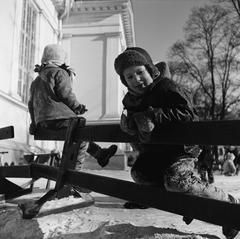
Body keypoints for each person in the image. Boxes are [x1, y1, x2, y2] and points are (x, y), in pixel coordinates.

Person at [114, 47, 239, 239]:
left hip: (181, 149)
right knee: (139, 173)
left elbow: (188, 113)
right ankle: (186, 201)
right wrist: (129, 124)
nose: (136, 79)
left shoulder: (165, 87)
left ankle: (229, 205)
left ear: (150, 70)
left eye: (140, 72)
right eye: (130, 77)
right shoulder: (130, 101)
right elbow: (135, 123)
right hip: (155, 152)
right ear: (125, 81)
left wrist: (154, 115)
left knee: (176, 180)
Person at [28, 44, 117, 196]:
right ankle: (76, 178)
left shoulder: (36, 80)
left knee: (79, 134)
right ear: (61, 59)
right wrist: (77, 107)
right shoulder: (59, 72)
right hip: (60, 118)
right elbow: (66, 93)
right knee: (81, 134)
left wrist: (34, 123)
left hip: (44, 123)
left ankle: (100, 154)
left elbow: (31, 104)